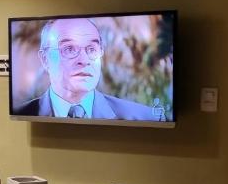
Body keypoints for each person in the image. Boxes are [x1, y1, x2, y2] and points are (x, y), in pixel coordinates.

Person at [15, 18, 159, 121]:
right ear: (45, 59)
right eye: (69, 49)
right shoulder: (22, 112)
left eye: (91, 49)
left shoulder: (140, 116)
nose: (84, 60)